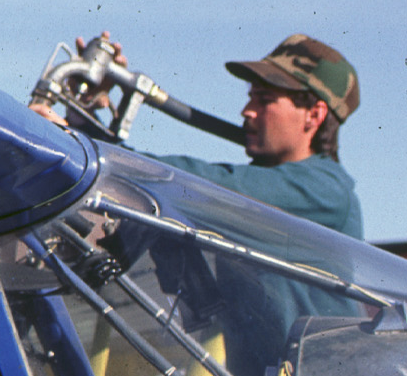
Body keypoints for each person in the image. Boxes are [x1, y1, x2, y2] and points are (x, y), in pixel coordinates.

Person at [37, 33, 364, 239]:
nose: (246, 112)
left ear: (315, 115)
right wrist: (83, 115)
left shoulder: (324, 191)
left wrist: (83, 146)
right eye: (250, 97)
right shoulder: (284, 188)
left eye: (264, 100)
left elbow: (188, 183)